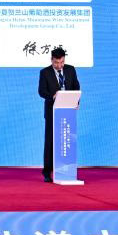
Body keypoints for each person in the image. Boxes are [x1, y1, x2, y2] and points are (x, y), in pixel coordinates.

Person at [37, 48, 80, 182]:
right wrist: (53, 95)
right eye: (56, 62)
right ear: (52, 60)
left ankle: (67, 169)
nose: (59, 65)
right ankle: (47, 172)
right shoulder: (45, 72)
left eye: (62, 62)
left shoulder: (70, 70)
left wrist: (76, 101)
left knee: (67, 139)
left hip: (68, 111)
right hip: (52, 112)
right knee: (50, 141)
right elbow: (41, 91)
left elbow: (76, 87)